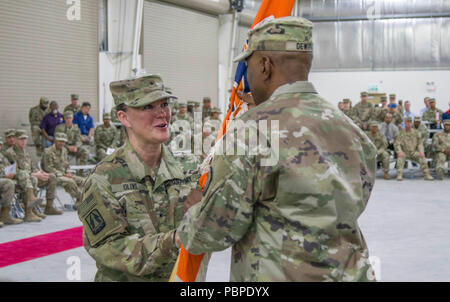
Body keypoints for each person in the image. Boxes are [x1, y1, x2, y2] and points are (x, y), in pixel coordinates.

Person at [177, 17, 377, 282]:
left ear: (264, 66)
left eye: (247, 66)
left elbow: (214, 231)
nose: (246, 77)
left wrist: (194, 210)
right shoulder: (352, 131)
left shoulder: (252, 130)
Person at [76, 74, 202, 282]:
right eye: (147, 107)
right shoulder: (104, 178)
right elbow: (112, 250)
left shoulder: (189, 168)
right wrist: (174, 240)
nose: (162, 114)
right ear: (124, 118)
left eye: (164, 104)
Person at [4, 130, 59, 221]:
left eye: (25, 139)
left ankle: (49, 207)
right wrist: (35, 174)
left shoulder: (25, 152)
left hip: (30, 177)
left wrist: (41, 173)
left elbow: (33, 166)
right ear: (16, 140)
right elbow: (15, 171)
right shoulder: (10, 153)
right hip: (19, 180)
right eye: (21, 139)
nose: (24, 141)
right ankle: (29, 212)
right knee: (33, 179)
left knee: (51, 177)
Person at [41, 132, 85, 206]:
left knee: (83, 181)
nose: (62, 143)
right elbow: (48, 168)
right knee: (70, 182)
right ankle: (82, 199)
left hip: (64, 174)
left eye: (63, 141)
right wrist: (64, 174)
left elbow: (66, 165)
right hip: (53, 176)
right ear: (55, 140)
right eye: (60, 141)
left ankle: (79, 200)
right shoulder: (48, 151)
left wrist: (68, 172)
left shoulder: (64, 150)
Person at [394, 117, 434, 181]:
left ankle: (427, 174)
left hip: (413, 152)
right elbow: (397, 144)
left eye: (410, 122)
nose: (408, 123)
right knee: (400, 158)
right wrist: (400, 152)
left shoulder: (416, 132)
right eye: (407, 122)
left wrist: (421, 152)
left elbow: (420, 144)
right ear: (404, 123)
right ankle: (399, 175)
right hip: (404, 152)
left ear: (411, 123)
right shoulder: (400, 133)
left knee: (422, 158)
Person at [0, 140, 23, 225]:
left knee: (23, 179)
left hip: (3, 180)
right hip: (3, 180)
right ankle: (4, 214)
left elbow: (8, 168)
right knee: (8, 183)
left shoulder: (2, 157)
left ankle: (5, 215)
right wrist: (4, 176)